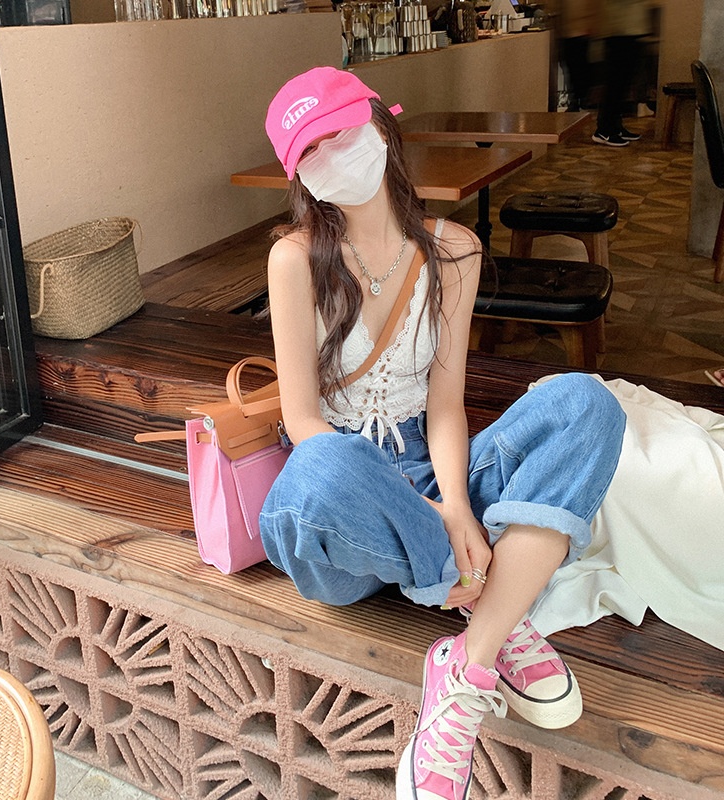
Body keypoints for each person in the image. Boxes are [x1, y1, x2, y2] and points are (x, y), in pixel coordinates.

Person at [259, 66, 626, 800]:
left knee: (587, 403)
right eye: (311, 152)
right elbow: (303, 422)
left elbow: (447, 406)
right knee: (324, 465)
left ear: (381, 126)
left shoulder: (453, 249)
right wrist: (427, 519)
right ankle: (497, 595)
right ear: (299, 175)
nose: (333, 158)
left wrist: (454, 504)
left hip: (428, 464)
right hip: (343, 509)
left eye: (341, 135)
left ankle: (467, 661)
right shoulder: (294, 258)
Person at [592, 0, 652, 147]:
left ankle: (615, 126)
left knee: (624, 83)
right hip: (618, 30)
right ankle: (604, 130)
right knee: (615, 83)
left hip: (630, 29)